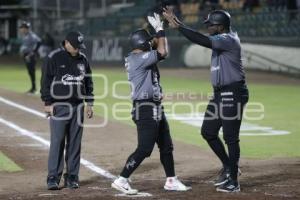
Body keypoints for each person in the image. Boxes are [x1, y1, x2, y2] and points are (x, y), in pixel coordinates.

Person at [163, 8, 249, 192]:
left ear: (221, 26)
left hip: (233, 92)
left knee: (231, 138)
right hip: (219, 93)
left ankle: (234, 181)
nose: (208, 27)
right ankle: (228, 167)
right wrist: (180, 25)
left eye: (211, 25)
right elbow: (203, 38)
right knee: (208, 131)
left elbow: (200, 39)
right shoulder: (221, 39)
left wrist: (178, 26)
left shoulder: (228, 39)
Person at [111, 13, 191, 195]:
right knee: (145, 148)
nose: (150, 42)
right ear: (142, 44)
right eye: (147, 41)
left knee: (166, 145)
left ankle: (171, 180)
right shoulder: (139, 59)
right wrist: (160, 30)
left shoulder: (138, 56)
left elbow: (156, 45)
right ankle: (122, 179)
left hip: (153, 106)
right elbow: (163, 51)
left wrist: (157, 32)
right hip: (145, 108)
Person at [40, 31, 94, 190]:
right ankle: (53, 177)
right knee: (57, 142)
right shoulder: (54, 57)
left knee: (75, 143)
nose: (78, 49)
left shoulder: (83, 59)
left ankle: (72, 176)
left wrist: (89, 102)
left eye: (80, 47)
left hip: (78, 106)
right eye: (76, 46)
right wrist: (47, 102)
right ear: (67, 43)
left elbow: (88, 81)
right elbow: (46, 81)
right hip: (59, 106)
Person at [19, 21, 41, 94]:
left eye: (22, 28)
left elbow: (39, 42)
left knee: (31, 71)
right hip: (26, 55)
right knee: (30, 71)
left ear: (26, 28)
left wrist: (33, 53)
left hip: (30, 56)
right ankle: (33, 88)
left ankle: (34, 88)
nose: (21, 29)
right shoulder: (25, 35)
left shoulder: (31, 35)